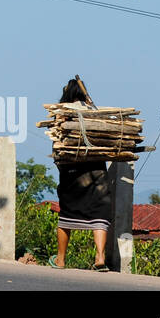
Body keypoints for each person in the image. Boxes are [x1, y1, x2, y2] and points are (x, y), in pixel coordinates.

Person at [53, 76, 112, 271]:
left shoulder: (63, 113)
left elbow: (57, 143)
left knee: (67, 213)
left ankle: (60, 260)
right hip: (96, 169)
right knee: (99, 213)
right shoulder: (95, 113)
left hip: (72, 171)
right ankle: (100, 257)